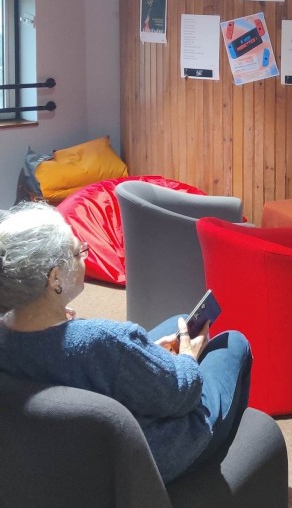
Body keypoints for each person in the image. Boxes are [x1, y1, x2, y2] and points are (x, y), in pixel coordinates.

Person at [0, 201, 252, 484]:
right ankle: (226, 471)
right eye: (79, 252)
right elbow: (182, 394)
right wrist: (187, 357)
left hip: (63, 458)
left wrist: (146, 353)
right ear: (55, 278)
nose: (84, 256)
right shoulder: (102, 341)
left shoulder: (7, 337)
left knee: (181, 320)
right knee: (233, 343)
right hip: (144, 459)